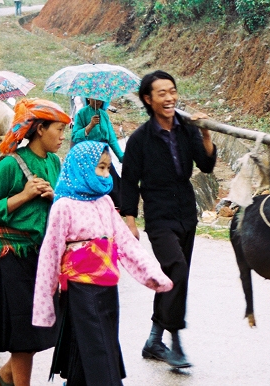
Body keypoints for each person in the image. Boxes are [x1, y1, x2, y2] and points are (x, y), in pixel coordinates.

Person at [32, 141, 173, 385]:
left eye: (108, 168)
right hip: (80, 290)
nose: (106, 174)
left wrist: (153, 274)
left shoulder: (105, 202)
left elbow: (126, 242)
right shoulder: (63, 206)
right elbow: (50, 254)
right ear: (82, 167)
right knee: (98, 349)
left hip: (108, 288)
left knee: (98, 343)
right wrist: (44, 304)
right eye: (101, 168)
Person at [121, 70, 216, 368]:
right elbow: (128, 181)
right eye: (162, 93)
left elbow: (207, 164)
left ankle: (153, 340)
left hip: (187, 212)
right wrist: (129, 219)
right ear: (148, 100)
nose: (170, 97)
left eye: (172, 91)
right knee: (176, 269)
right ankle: (174, 342)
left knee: (174, 276)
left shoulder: (186, 130)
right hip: (159, 214)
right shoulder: (140, 139)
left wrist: (205, 133)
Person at [0, 99, 70, 386]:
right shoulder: (9, 164)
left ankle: (7, 374)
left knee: (37, 326)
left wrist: (54, 197)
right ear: (40, 129)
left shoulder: (54, 162)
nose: (62, 136)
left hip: (40, 255)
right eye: (59, 129)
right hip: (7, 253)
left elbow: (63, 205)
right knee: (20, 329)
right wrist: (24, 195)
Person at [72, 98, 124, 208]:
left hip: (104, 154)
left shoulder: (104, 115)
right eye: (95, 99)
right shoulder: (82, 113)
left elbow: (111, 138)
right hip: (89, 154)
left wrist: (121, 156)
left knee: (112, 183)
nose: (98, 101)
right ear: (88, 98)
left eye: (101, 99)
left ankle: (113, 209)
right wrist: (90, 126)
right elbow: (75, 136)